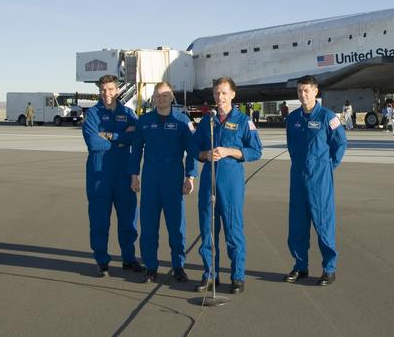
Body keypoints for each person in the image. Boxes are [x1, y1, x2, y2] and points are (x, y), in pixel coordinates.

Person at [191, 77, 262, 295]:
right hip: (208, 181)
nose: (219, 97)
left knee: (233, 229)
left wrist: (230, 151)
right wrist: (205, 154)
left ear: (232, 94)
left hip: (231, 182)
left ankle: (237, 276)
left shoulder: (243, 121)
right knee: (208, 229)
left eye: (223, 93)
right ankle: (210, 275)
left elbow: (255, 151)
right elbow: (195, 149)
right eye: (216, 93)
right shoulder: (207, 121)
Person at [129, 82, 197, 283]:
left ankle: (178, 266)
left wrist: (190, 176)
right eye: (157, 96)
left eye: (165, 95)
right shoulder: (144, 121)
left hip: (173, 177)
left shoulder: (182, 121)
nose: (161, 99)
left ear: (172, 97)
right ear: (153, 98)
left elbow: (192, 151)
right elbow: (136, 150)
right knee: (149, 225)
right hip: (150, 177)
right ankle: (150, 267)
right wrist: (134, 175)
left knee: (176, 226)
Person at [284, 75, 347, 286]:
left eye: (307, 90)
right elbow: (292, 145)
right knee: (297, 225)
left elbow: (341, 144)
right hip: (298, 178)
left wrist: (328, 166)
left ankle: (329, 269)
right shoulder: (293, 119)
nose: (303, 94)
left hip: (320, 179)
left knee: (323, 223)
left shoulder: (327, 117)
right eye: (300, 91)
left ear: (315, 92)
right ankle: (300, 266)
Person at [82, 74, 141, 277]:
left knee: (128, 220)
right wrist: (122, 139)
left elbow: (136, 138)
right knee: (99, 221)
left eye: (110, 89)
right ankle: (102, 261)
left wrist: (110, 136)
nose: (106, 93)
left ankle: (129, 259)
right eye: (102, 90)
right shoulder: (92, 114)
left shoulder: (128, 113)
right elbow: (93, 143)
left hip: (124, 176)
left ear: (117, 90)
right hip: (99, 177)